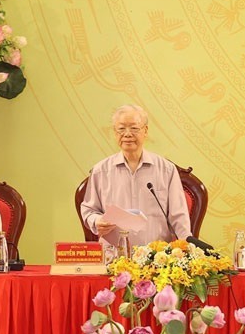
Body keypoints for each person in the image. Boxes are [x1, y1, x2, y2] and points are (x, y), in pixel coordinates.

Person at [80, 105, 192, 246]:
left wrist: (186, 249)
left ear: (145, 131)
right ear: (115, 133)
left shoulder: (166, 170)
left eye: (134, 128)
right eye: (121, 129)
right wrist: (97, 221)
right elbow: (89, 210)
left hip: (156, 258)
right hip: (114, 258)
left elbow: (179, 217)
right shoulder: (100, 171)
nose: (127, 134)